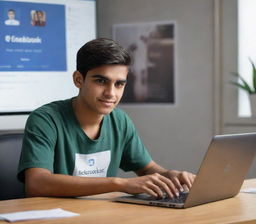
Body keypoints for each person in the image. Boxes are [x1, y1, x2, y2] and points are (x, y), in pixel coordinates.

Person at [18, 38, 195, 199]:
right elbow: (37, 184)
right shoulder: (45, 119)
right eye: (101, 81)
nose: (111, 93)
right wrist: (120, 183)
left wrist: (171, 176)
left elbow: (147, 169)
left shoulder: (120, 120)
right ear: (78, 80)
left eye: (119, 84)